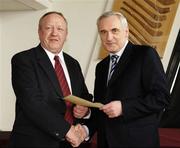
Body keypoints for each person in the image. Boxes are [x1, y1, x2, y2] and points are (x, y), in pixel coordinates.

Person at [82, 11, 171, 147]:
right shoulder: (101, 66)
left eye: (114, 30)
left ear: (126, 32)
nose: (109, 37)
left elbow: (162, 98)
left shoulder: (145, 55)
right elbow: (102, 105)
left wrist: (124, 107)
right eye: (103, 32)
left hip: (137, 142)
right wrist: (88, 112)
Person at [9, 11, 92, 148]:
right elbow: (32, 103)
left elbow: (83, 96)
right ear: (39, 32)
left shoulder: (73, 63)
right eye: (48, 28)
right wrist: (67, 130)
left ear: (66, 35)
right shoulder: (23, 60)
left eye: (60, 29)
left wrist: (85, 110)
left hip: (71, 144)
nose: (54, 33)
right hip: (35, 143)